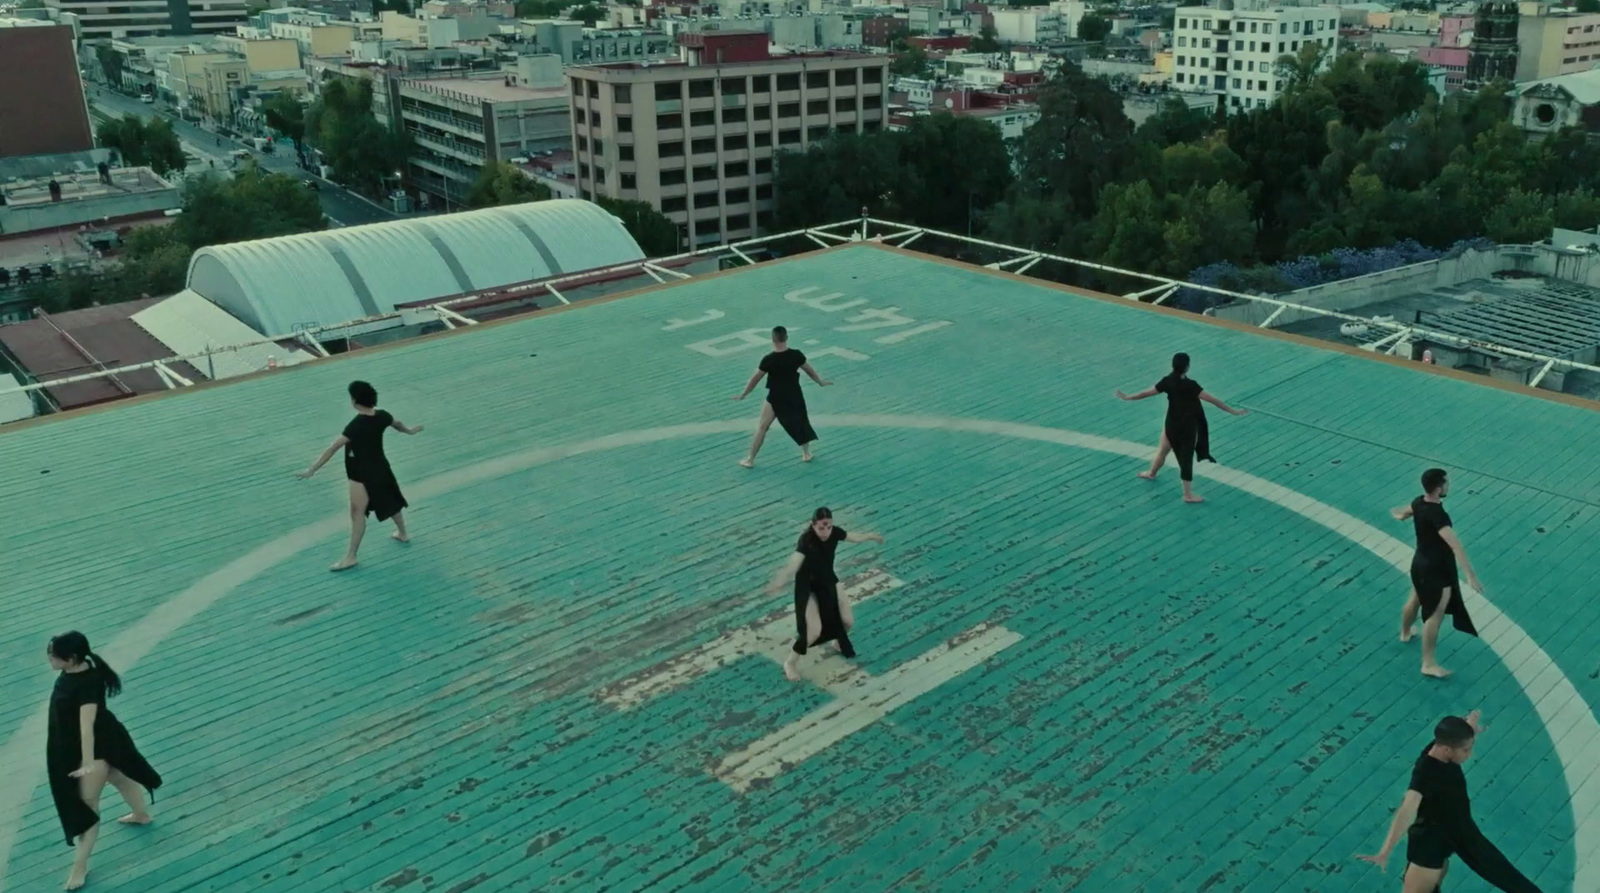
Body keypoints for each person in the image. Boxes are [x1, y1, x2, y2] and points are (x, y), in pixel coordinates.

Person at [1356, 712, 1543, 893]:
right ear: (1447, 749)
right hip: (1431, 840)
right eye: (1466, 749)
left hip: (1459, 830)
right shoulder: (1426, 772)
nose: (1469, 754)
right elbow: (1407, 808)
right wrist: (1385, 851)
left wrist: (1470, 725)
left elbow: (1458, 733)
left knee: (1505, 874)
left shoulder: (1444, 745)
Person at [45, 632, 162, 892]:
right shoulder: (80, 669)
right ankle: (141, 815)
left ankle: (80, 867)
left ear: (71, 658)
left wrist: (87, 763)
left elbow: (86, 728)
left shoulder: (85, 684)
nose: (49, 658)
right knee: (119, 777)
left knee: (88, 807)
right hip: (105, 738)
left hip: (93, 748)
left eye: (53, 655)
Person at [297, 380, 424, 571]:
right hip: (381, 468)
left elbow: (333, 448)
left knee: (357, 514)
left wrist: (312, 470)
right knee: (390, 500)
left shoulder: (356, 425)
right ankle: (402, 533)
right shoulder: (382, 416)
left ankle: (351, 557)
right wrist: (410, 431)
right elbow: (397, 423)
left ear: (355, 401)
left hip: (360, 474)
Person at [763, 508, 885, 682]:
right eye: (821, 528)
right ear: (813, 525)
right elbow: (793, 564)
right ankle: (790, 663)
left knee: (848, 622)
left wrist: (871, 536)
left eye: (828, 527)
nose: (825, 532)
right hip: (809, 587)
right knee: (813, 632)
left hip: (828, 580)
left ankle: (837, 642)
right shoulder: (806, 540)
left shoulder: (834, 532)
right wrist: (778, 582)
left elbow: (854, 537)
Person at [1115, 352, 1248, 503]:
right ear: (1187, 367)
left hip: (1171, 424)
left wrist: (1128, 397)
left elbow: (1146, 393)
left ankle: (1151, 472)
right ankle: (1187, 494)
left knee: (1162, 450)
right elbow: (1213, 400)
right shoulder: (1192, 386)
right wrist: (1233, 411)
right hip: (1187, 427)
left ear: (1173, 366)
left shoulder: (1167, 381)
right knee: (1186, 460)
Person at [1390, 468, 1482, 678]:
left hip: (1419, 564)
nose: (1448, 486)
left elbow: (1405, 512)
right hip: (1436, 571)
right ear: (1439, 488)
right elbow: (1455, 546)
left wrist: (1398, 515)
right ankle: (1428, 663)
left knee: (1414, 599)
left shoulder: (1418, 502)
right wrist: (1470, 576)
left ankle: (1405, 633)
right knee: (1434, 615)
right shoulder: (1439, 516)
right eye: (1446, 483)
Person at [734, 326, 831, 467]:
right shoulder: (796, 355)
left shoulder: (768, 359)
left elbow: (755, 379)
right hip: (794, 395)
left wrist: (744, 394)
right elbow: (809, 370)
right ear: (786, 338)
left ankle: (750, 459)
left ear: (772, 340)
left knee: (762, 427)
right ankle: (806, 453)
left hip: (775, 397)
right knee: (801, 422)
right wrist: (820, 382)